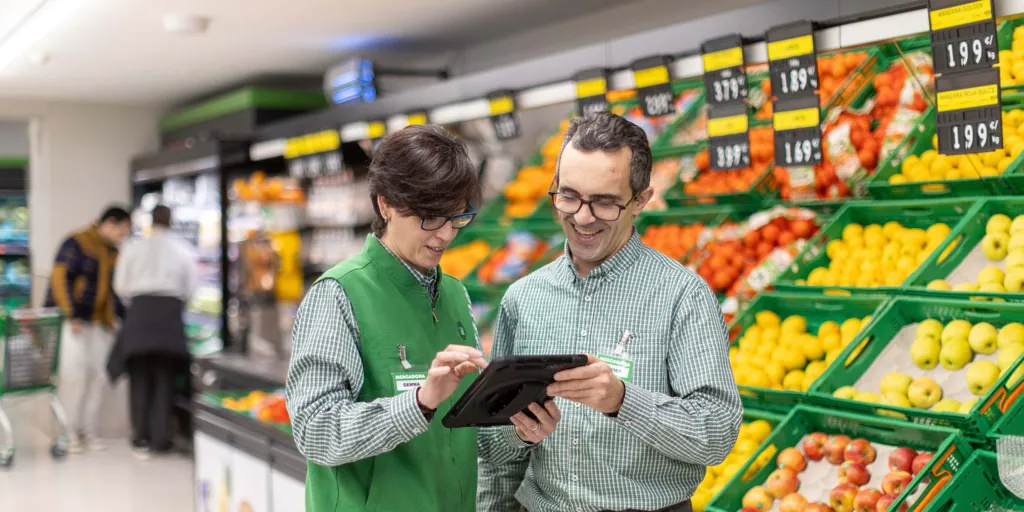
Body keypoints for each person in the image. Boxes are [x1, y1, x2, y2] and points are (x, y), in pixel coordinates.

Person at [477, 112, 742, 512]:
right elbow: (494, 452)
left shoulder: (682, 296)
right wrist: (518, 434)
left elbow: (717, 431)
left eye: (604, 202)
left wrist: (623, 400)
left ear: (640, 201)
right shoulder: (523, 300)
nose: (582, 217)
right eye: (568, 196)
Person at [286, 124, 504, 512]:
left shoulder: (455, 294)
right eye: (430, 218)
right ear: (385, 204)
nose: (445, 236)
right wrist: (419, 403)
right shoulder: (339, 295)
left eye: (457, 218)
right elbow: (315, 431)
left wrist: (518, 427)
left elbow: (464, 430)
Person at [108, 204, 199, 458]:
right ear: (171, 222)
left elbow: (121, 286)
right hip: (169, 317)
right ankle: (161, 439)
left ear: (150, 221)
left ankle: (140, 438)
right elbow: (191, 288)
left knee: (139, 379)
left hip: (139, 315)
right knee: (164, 379)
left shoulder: (133, 248)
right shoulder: (183, 250)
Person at [45, 205, 131, 453]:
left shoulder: (113, 252)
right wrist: (71, 313)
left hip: (98, 324)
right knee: (74, 376)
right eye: (121, 231)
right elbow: (60, 278)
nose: (122, 238)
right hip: (72, 322)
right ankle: (66, 431)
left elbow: (113, 290)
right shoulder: (77, 242)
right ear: (109, 223)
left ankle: (87, 429)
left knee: (99, 376)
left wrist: (119, 318)